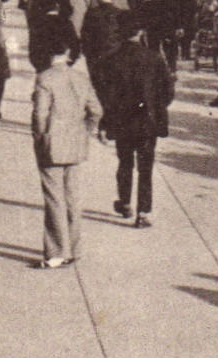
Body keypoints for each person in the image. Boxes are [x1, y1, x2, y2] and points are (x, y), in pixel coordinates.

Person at [30, 20, 103, 268]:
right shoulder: (81, 78)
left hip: (52, 144)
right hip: (76, 143)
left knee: (54, 198)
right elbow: (96, 110)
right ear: (69, 52)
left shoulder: (44, 78)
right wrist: (87, 131)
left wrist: (40, 137)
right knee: (73, 197)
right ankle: (75, 248)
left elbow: (40, 114)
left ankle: (56, 252)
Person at [101, 16, 174, 228]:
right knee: (145, 167)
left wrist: (106, 122)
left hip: (122, 120)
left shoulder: (111, 59)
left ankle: (124, 203)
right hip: (147, 121)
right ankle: (143, 212)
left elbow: (106, 96)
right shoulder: (154, 58)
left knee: (124, 163)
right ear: (140, 33)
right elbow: (168, 91)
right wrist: (157, 108)